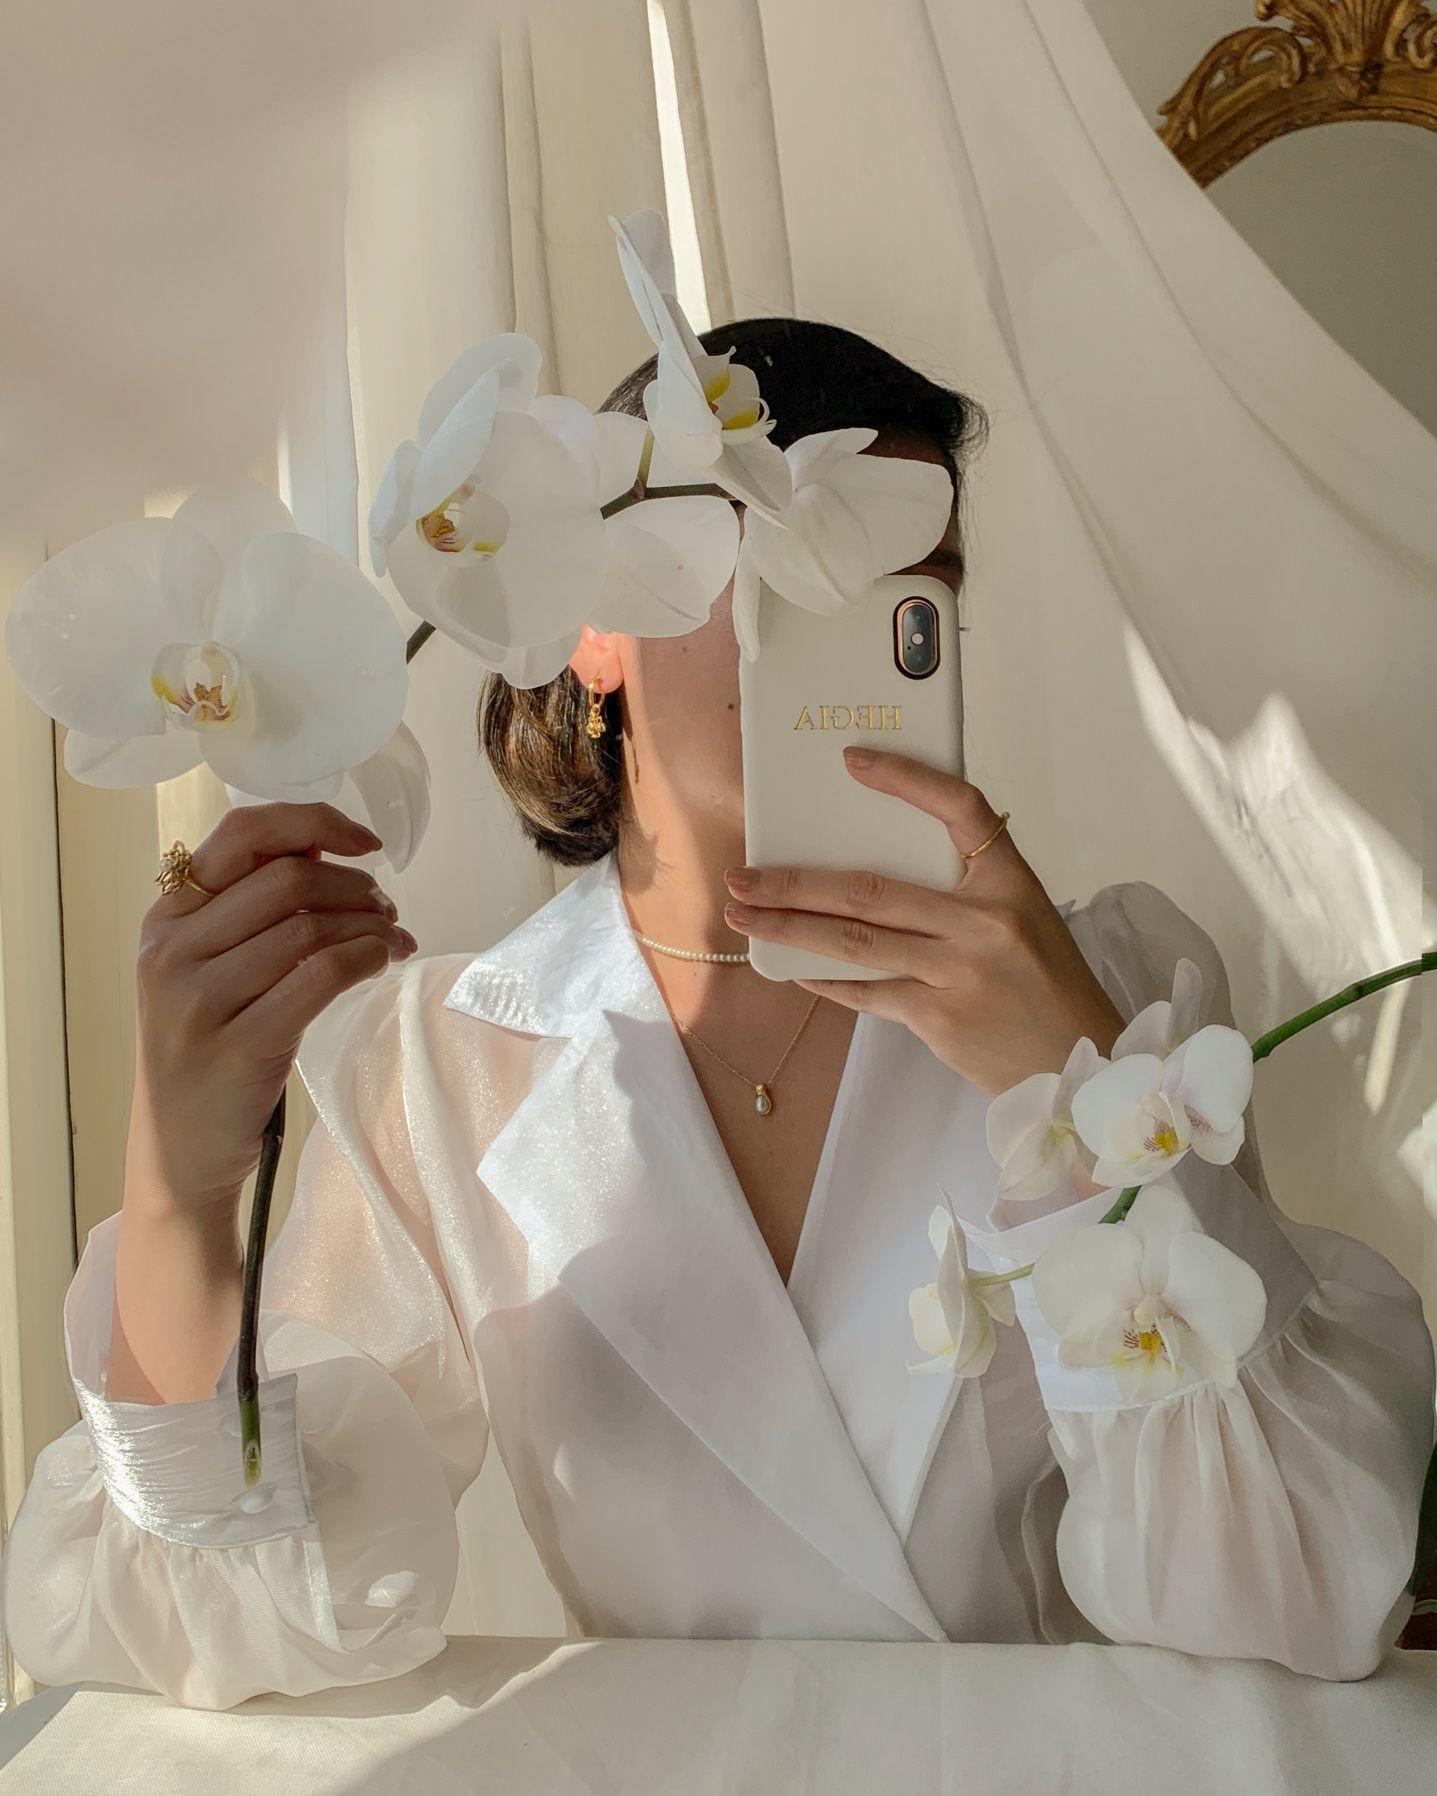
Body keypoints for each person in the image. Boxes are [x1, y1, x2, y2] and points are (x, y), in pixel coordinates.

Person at [1, 321, 1431, 1711]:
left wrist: (1075, 1091)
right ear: (593, 624)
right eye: (765, 561)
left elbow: (1291, 1596)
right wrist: (179, 1194)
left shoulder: (1111, 980)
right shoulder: (442, 1064)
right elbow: (232, 1622)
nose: (829, 627)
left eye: (903, 592)